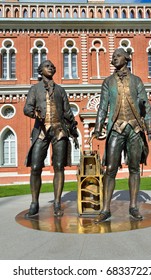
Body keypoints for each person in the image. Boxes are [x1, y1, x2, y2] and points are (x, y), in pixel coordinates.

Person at [90, 48, 151, 223]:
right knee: (110, 169)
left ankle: (133, 206)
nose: (114, 58)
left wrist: (150, 130)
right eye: (112, 57)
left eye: (117, 55)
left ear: (126, 58)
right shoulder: (108, 82)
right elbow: (103, 106)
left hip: (134, 129)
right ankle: (105, 208)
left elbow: (146, 106)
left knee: (134, 168)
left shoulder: (137, 81)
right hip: (116, 129)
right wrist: (97, 127)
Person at [24, 60, 79, 218]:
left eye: (53, 66)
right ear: (40, 70)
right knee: (35, 167)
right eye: (48, 66)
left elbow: (68, 112)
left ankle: (57, 203)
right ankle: (34, 203)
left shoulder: (61, 90)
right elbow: (27, 108)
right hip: (41, 131)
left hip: (59, 131)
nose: (52, 67)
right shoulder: (35, 89)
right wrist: (35, 113)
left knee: (59, 166)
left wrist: (74, 132)